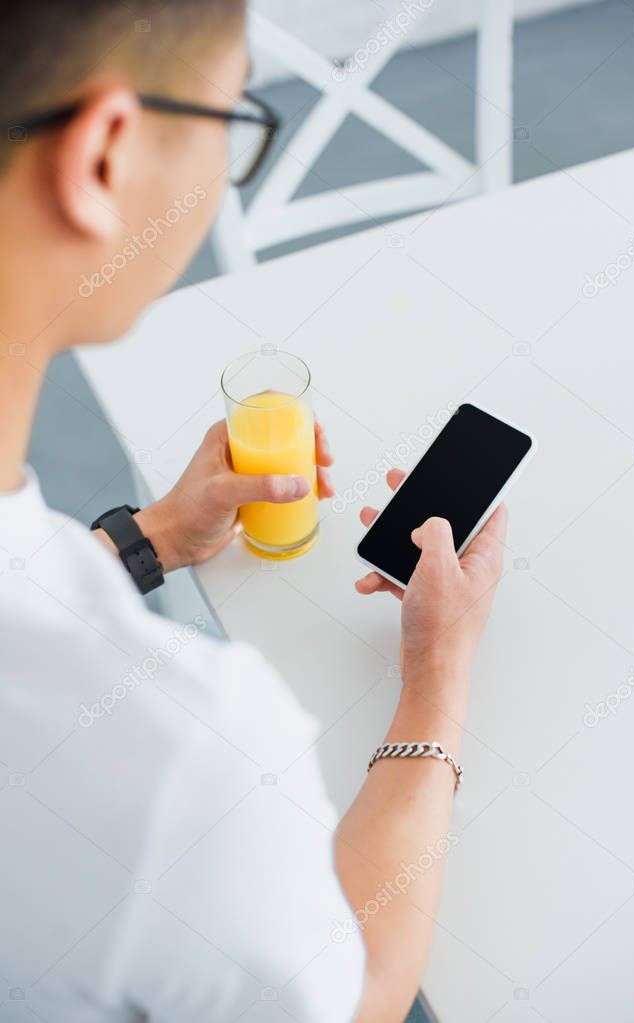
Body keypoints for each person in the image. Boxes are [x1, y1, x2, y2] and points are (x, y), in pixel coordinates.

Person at [0, 2, 507, 1020]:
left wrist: (146, 539)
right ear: (103, 156)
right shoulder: (171, 763)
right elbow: (356, 991)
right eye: (233, 116)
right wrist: (437, 669)